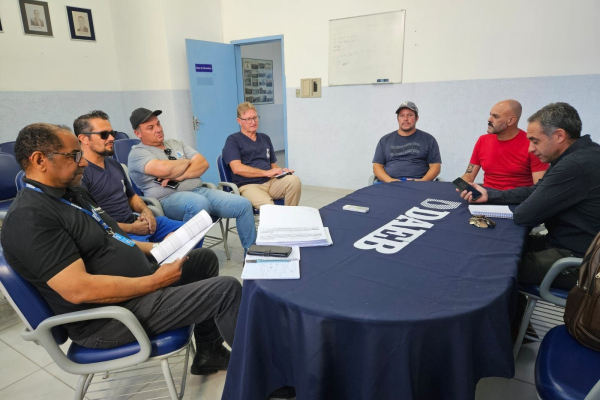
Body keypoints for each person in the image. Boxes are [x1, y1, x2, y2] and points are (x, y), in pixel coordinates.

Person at [1, 123, 241, 375]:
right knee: (226, 290)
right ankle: (256, 378)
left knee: (202, 259)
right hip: (109, 318)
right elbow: (78, 289)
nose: (83, 162)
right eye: (74, 155)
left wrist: (160, 247)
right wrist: (155, 282)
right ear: (40, 160)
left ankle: (209, 352)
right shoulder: (30, 217)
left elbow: (112, 237)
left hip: (136, 290)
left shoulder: (72, 194)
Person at [458, 102, 600, 289]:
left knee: (487, 265)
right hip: (570, 245)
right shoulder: (585, 152)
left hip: (578, 260)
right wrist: (491, 195)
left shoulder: (574, 165)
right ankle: (516, 306)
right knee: (493, 247)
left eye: (535, 141)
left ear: (559, 136)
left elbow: (524, 215)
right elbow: (536, 190)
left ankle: (508, 308)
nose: (530, 149)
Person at [126, 108, 257, 250]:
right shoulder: (138, 153)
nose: (158, 129)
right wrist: (187, 161)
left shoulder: (175, 143)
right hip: (167, 199)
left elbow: (203, 163)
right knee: (199, 203)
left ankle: (251, 256)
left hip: (200, 191)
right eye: (150, 128)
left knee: (244, 205)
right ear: (138, 133)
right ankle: (188, 256)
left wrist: (180, 175)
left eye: (158, 124)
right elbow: (165, 169)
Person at [74, 110, 187, 243]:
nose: (111, 138)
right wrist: (132, 228)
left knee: (189, 232)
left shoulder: (114, 164)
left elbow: (131, 196)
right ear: (84, 139)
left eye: (112, 133)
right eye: (104, 134)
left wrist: (145, 211)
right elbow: (90, 221)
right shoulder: (79, 174)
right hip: (114, 234)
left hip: (135, 222)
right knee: (161, 249)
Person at [222, 102, 302, 209]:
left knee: (294, 181)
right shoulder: (233, 140)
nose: (253, 122)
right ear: (239, 121)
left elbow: (272, 164)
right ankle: (278, 218)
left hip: (271, 181)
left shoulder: (265, 138)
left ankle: (290, 216)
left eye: (255, 118)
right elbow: (237, 168)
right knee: (270, 208)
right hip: (249, 186)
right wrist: (266, 173)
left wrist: (282, 172)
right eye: (248, 119)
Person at [462, 99, 548, 190]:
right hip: (486, 195)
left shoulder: (532, 145)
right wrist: (462, 186)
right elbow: (469, 176)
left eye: (495, 116)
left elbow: (540, 188)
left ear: (511, 121)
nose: (489, 119)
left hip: (516, 197)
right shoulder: (482, 140)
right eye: (490, 115)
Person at [372, 101, 441, 182]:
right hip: (390, 184)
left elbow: (435, 166)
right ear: (398, 119)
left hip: (419, 184)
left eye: (410, 115)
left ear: (417, 118)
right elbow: (377, 166)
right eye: (402, 115)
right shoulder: (384, 140)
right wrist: (390, 181)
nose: (405, 119)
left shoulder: (429, 139)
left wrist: (422, 182)